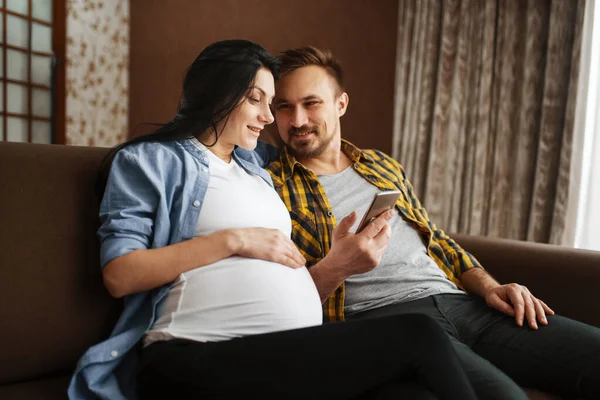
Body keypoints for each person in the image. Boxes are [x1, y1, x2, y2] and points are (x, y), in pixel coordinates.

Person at [67, 40, 478, 400]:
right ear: (217, 93)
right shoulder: (151, 161)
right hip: (193, 353)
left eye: (272, 102)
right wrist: (234, 240)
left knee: (410, 394)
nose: (270, 118)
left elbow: (313, 146)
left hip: (282, 350)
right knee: (418, 336)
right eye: (257, 99)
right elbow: (120, 274)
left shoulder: (257, 166)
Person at [266, 46, 600, 400]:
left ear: (341, 104)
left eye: (311, 103)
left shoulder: (381, 165)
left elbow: (437, 240)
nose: (297, 120)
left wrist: (490, 287)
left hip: (462, 303)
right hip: (388, 322)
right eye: (284, 106)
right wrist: (339, 265)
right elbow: (281, 298)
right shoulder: (270, 187)